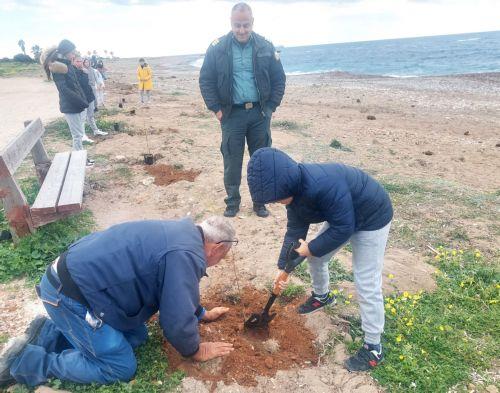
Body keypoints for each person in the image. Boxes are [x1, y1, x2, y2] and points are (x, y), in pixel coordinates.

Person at [0, 216, 236, 387]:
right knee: (119, 366)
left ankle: (48, 334)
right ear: (217, 248)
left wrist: (200, 312)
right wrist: (194, 350)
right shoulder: (187, 255)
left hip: (83, 285)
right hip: (69, 295)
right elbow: (175, 321)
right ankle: (27, 361)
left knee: (137, 336)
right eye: (223, 256)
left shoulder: (183, 235)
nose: (219, 261)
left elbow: (177, 289)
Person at [246, 147, 394, 372]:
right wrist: (282, 267)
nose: (276, 202)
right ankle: (322, 296)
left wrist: (311, 248)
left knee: (366, 281)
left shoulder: (323, 185)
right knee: (316, 258)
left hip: (372, 216)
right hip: (342, 215)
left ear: (287, 185)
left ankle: (374, 346)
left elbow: (344, 228)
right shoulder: (293, 194)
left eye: (276, 199)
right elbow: (295, 231)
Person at [199, 2, 286, 218]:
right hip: (231, 115)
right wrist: (216, 109)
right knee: (232, 160)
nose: (242, 30)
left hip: (259, 114)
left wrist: (271, 107)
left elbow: (279, 79)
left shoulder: (265, 46)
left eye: (246, 25)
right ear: (231, 23)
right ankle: (232, 202)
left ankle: (260, 202)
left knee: (261, 160)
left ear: (252, 23)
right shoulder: (217, 47)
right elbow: (206, 80)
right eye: (237, 25)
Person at [41, 39, 93, 166]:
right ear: (65, 52)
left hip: (79, 105)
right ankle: (80, 160)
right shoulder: (58, 66)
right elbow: (63, 89)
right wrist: (80, 101)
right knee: (77, 136)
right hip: (71, 106)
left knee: (80, 134)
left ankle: (81, 158)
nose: (74, 55)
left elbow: (76, 85)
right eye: (71, 52)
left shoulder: (67, 64)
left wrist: (84, 100)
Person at [73, 55, 108, 140]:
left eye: (81, 61)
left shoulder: (87, 71)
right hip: (82, 98)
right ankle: (83, 135)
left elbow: (89, 83)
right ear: (73, 62)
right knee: (82, 117)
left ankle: (95, 130)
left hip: (90, 95)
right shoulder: (73, 72)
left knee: (91, 115)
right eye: (77, 61)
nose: (80, 63)